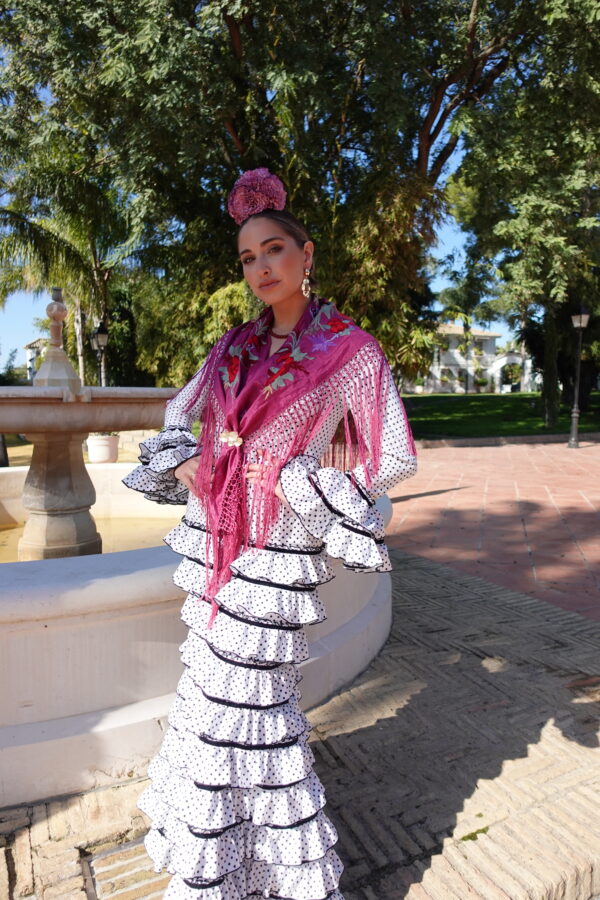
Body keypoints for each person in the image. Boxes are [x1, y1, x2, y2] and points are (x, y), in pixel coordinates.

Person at [123, 167, 417, 899]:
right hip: (214, 537)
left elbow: (395, 458)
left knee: (249, 707)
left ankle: (253, 874)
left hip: (276, 551)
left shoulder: (351, 351)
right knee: (216, 700)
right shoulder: (231, 347)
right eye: (249, 258)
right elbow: (177, 413)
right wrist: (189, 460)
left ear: (306, 255)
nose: (261, 267)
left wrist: (302, 484)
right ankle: (228, 861)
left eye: (274, 250)